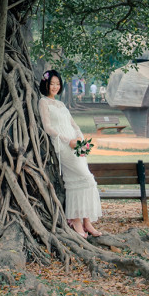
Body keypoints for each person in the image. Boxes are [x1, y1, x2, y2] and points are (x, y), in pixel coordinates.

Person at [38, 70, 103, 237]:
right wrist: (68, 141)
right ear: (46, 84)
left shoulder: (61, 104)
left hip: (76, 144)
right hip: (63, 145)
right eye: (52, 84)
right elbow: (48, 127)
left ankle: (87, 221)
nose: (55, 87)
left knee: (87, 180)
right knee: (81, 178)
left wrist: (80, 139)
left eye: (57, 84)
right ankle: (75, 220)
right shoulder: (43, 102)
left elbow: (74, 125)